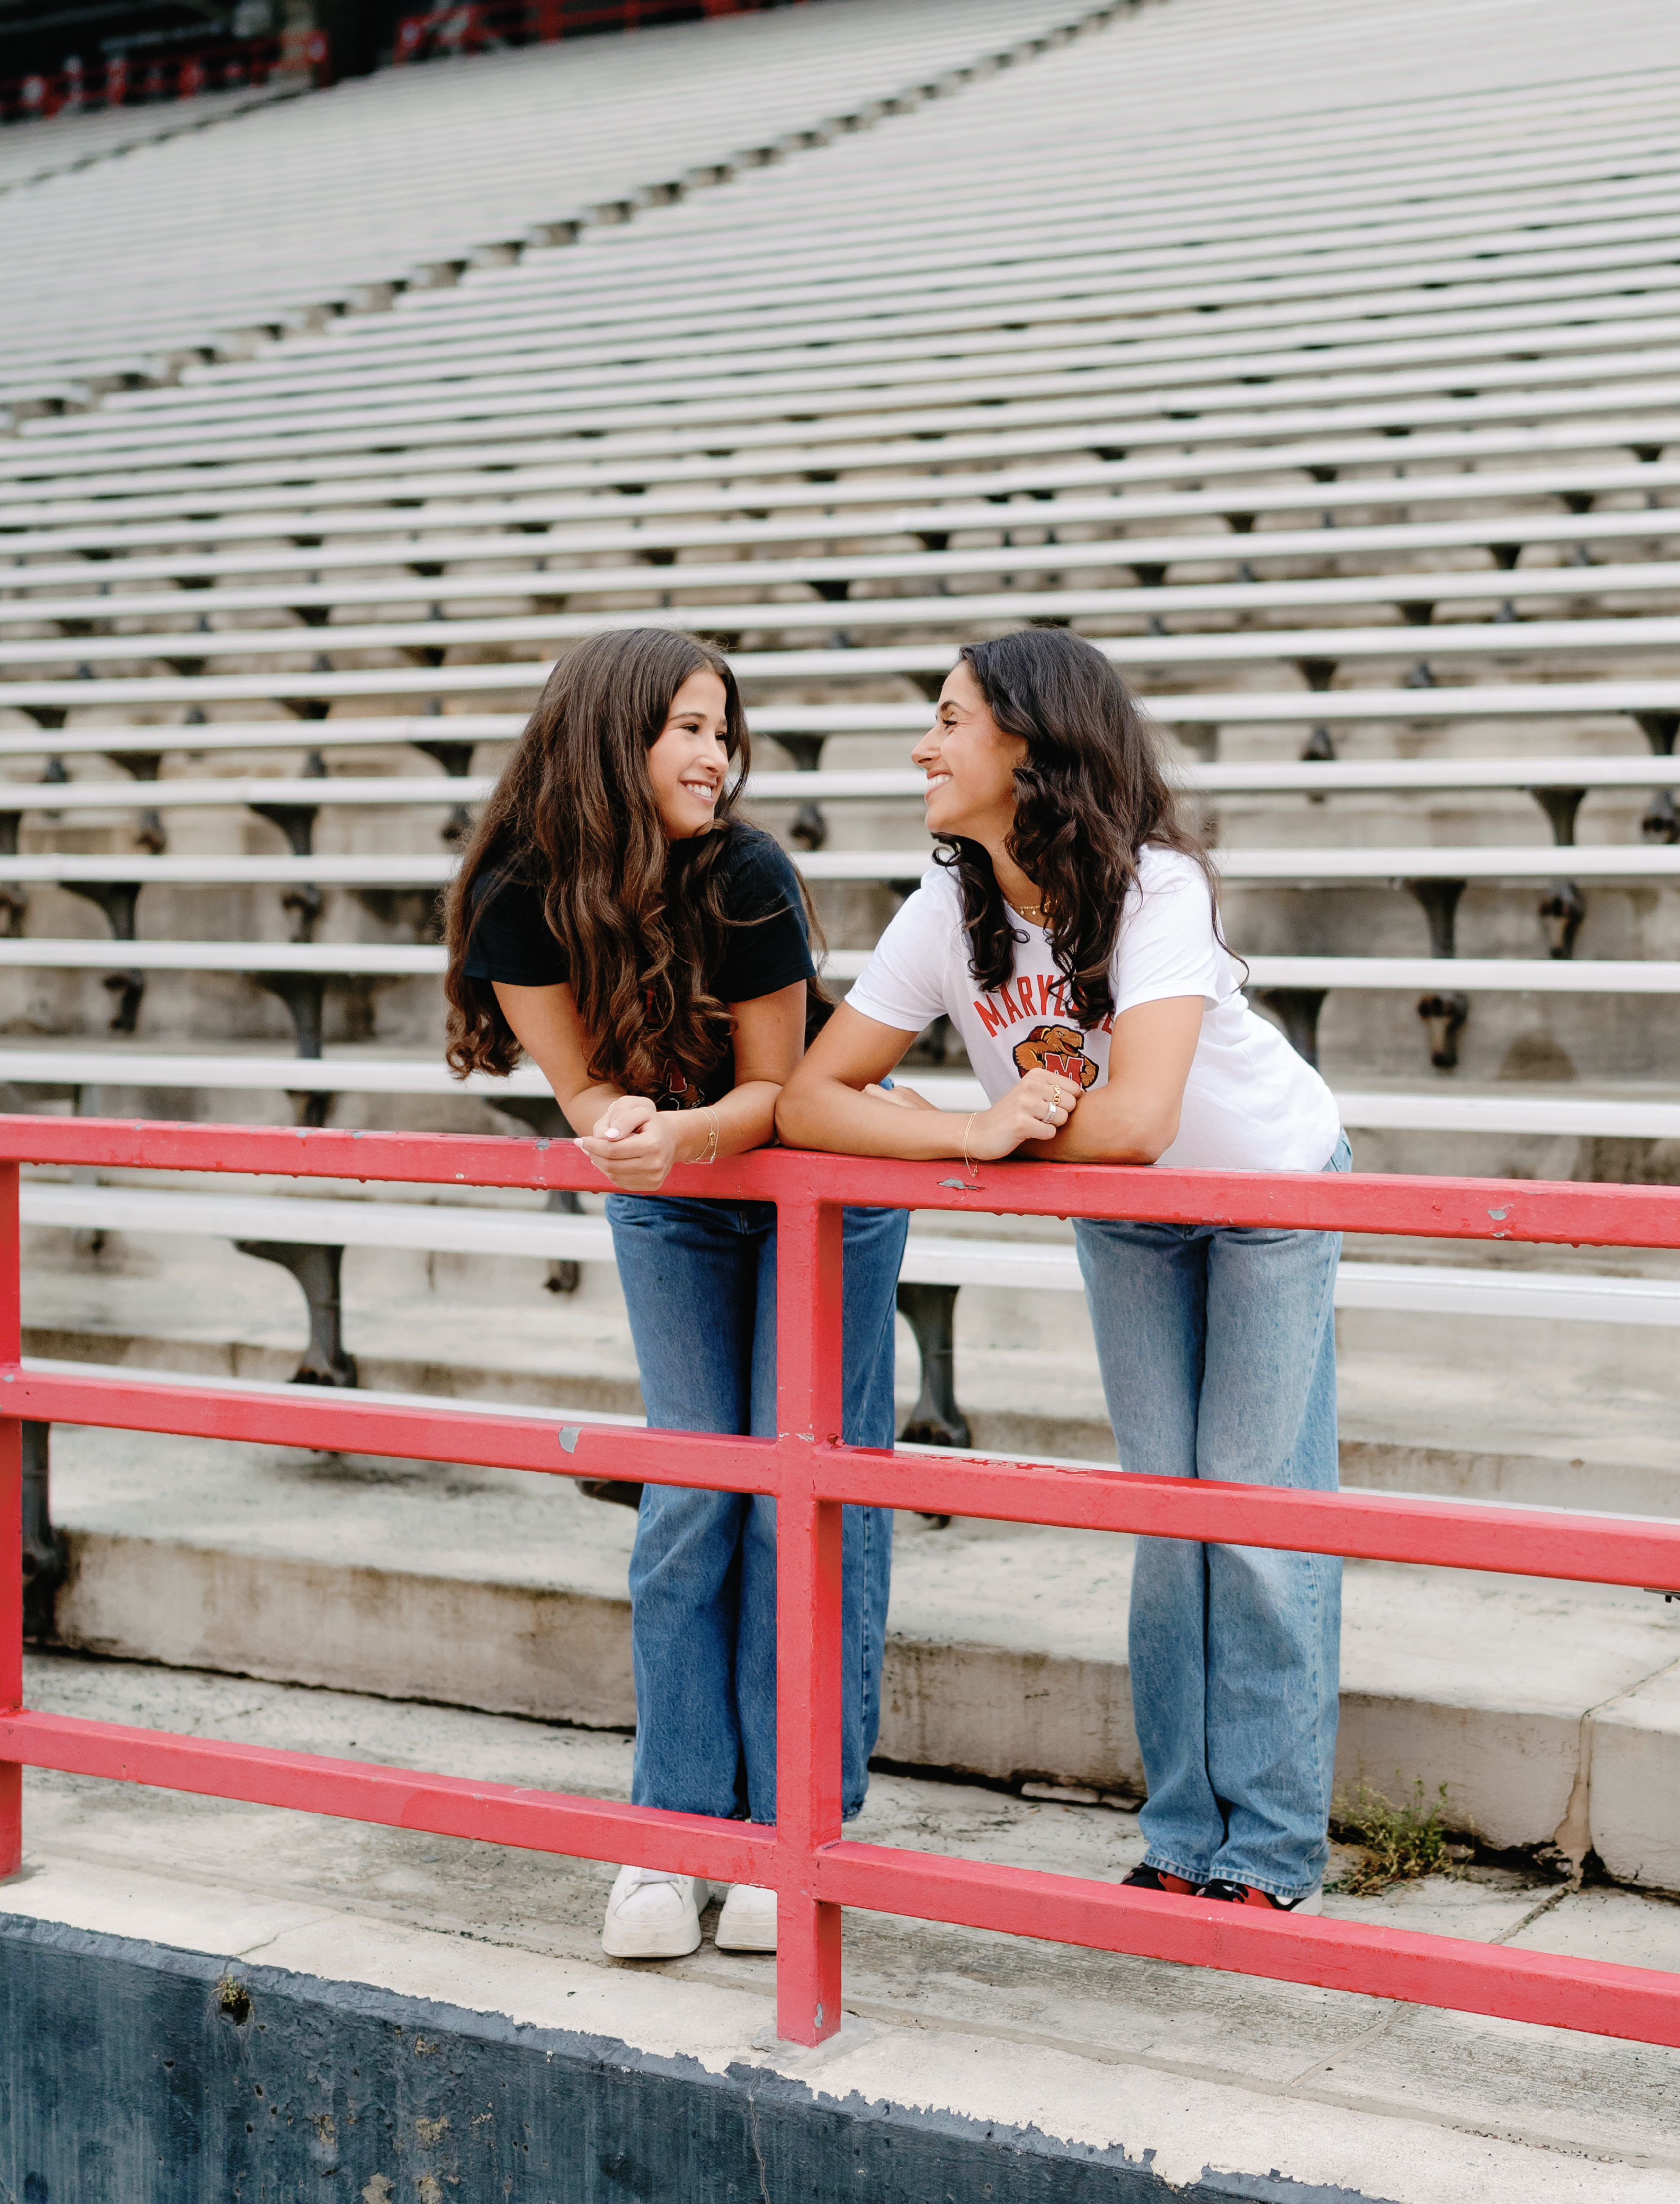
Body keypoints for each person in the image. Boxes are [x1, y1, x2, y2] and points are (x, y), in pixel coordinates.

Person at [777, 630, 1349, 1914]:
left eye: (948, 719)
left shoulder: (1156, 888)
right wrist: (970, 1132)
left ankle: (1267, 1853)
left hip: (1268, 1185)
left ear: (1031, 746)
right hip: (1126, 1215)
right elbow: (817, 1100)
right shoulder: (948, 910)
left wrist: (995, 1136)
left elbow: (1143, 1116)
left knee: (1251, 1510)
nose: (923, 747)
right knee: (1167, 1513)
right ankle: (1182, 1833)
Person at [445, 627, 908, 1963]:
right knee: (693, 1494)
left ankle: (789, 1835)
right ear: (611, 738)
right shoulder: (517, 898)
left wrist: (679, 1135)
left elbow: (787, 1096)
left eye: (723, 731)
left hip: (816, 1182)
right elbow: (583, 1088)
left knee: (797, 1491)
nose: (717, 756)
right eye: (689, 730)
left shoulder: (752, 873)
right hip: (670, 1191)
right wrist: (619, 1129)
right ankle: (671, 1836)